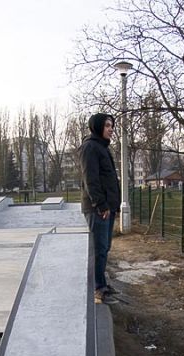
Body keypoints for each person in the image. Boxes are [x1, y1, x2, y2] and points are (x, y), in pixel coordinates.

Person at [79, 112, 121, 304]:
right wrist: (100, 204)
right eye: (106, 125)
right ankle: (98, 289)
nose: (111, 128)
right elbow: (91, 180)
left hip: (107, 207)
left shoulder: (103, 148)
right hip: (98, 208)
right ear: (97, 127)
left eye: (111, 125)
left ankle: (102, 283)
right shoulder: (90, 147)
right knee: (99, 249)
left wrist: (113, 206)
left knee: (105, 248)